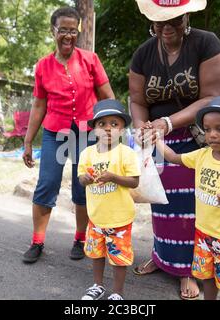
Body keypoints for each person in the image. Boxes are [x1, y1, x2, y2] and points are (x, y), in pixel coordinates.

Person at [129, 0, 220, 299]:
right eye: (160, 21)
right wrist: (140, 127)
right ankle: (163, 258)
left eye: (173, 19)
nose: (167, 27)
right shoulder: (144, 53)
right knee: (160, 203)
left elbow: (214, 96)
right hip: (157, 138)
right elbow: (137, 100)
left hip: (197, 137)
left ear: (186, 16)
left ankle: (190, 268)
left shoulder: (206, 43)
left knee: (191, 208)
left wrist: (167, 123)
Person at [22, 7, 115, 263]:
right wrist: (28, 141)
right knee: (47, 183)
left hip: (87, 132)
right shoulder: (43, 66)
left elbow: (108, 97)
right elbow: (39, 104)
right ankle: (37, 242)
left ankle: (80, 238)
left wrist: (111, 130)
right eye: (63, 29)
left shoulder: (90, 60)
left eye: (72, 30)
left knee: (82, 185)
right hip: (56, 132)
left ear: (78, 31)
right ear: (53, 31)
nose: (68, 35)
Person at [153, 96, 220, 300]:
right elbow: (173, 157)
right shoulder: (202, 155)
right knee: (208, 278)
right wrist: (157, 140)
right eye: (207, 129)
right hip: (203, 234)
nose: (212, 135)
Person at [78, 99, 140, 300]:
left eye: (114, 124)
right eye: (102, 124)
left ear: (122, 130)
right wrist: (85, 179)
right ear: (94, 129)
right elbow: (81, 178)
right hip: (96, 217)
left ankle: (118, 292)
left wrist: (113, 176)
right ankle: (98, 285)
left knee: (118, 258)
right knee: (96, 254)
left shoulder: (126, 154)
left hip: (120, 218)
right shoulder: (87, 153)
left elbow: (134, 182)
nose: (108, 129)